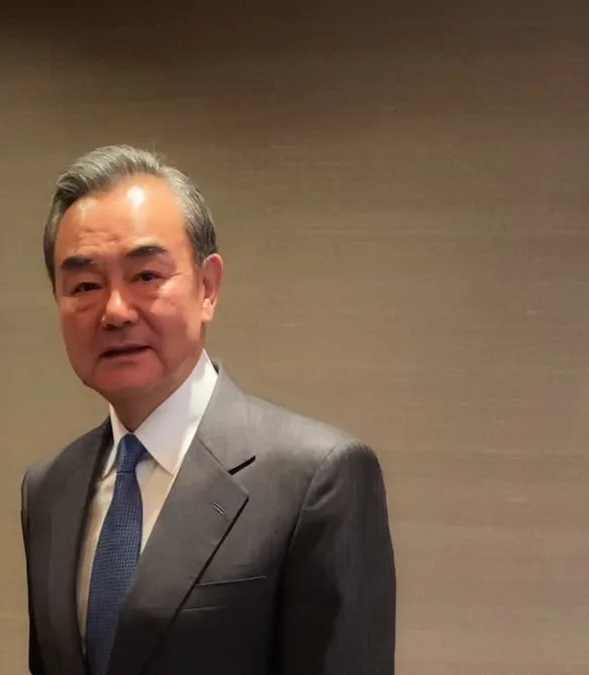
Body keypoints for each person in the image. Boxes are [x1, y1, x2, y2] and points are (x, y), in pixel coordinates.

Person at [21, 145, 395, 675]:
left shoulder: (317, 479)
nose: (115, 311)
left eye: (146, 276)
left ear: (207, 288)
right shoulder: (48, 489)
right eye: (85, 285)